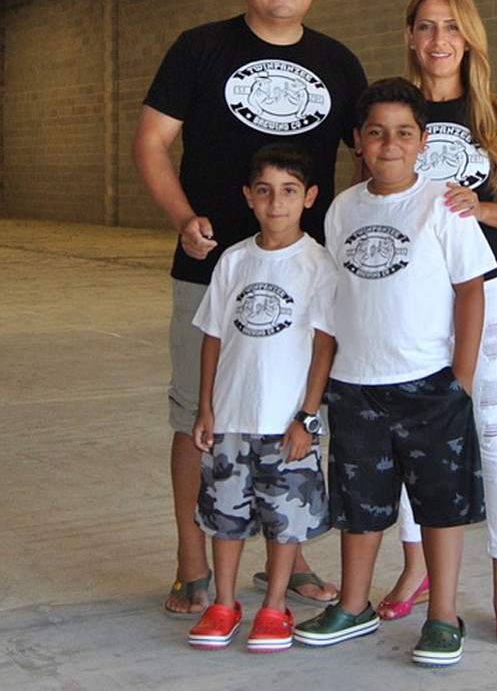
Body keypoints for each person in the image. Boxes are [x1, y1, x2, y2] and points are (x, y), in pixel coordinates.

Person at [131, 0, 367, 616]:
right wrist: (182, 217)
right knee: (195, 417)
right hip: (212, 271)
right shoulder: (201, 47)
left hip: (305, 282)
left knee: (295, 418)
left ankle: (289, 561)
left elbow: (362, 159)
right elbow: (151, 140)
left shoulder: (337, 61)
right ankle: (191, 563)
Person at [294, 78, 497, 667]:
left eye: (403, 133)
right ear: (357, 141)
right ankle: (353, 605)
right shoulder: (341, 208)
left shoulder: (444, 203)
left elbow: (471, 291)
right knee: (360, 503)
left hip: (429, 383)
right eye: (377, 133)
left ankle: (442, 615)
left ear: (422, 140)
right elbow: (332, 302)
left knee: (440, 503)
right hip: (357, 385)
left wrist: (460, 375)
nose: (390, 144)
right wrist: (324, 380)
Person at [375, 0, 497, 646]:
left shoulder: (496, 113)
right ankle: (415, 568)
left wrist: (483, 209)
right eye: (424, 27)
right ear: (410, 37)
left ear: (468, 37)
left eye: (450, 27)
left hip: (491, 287)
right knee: (418, 434)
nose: (438, 40)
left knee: (495, 432)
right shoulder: (394, 110)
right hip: (414, 297)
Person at [187, 145, 336, 652]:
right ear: (249, 197)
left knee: (284, 521)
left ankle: (274, 607)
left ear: (309, 197)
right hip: (230, 415)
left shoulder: (317, 263)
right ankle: (223, 603)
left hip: (286, 422)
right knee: (224, 517)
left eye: (290, 191)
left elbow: (324, 345)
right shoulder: (233, 260)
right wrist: (206, 406)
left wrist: (307, 418)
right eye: (265, 191)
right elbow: (212, 336)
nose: (277, 203)